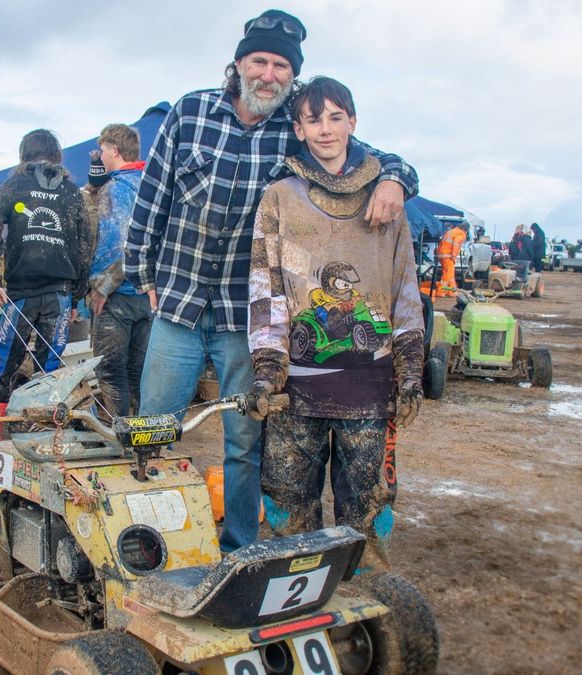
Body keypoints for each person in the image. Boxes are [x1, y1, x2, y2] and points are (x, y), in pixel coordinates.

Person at [124, 9, 419, 552]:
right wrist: (141, 273)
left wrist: (396, 180)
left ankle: (240, 548)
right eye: (258, 61)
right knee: (153, 429)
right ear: (238, 64)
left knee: (245, 442)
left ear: (293, 76)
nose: (268, 74)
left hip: (244, 316)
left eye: (281, 66)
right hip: (178, 304)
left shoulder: (296, 128)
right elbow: (151, 198)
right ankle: (144, 544)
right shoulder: (190, 112)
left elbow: (366, 156)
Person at [247, 76, 423, 574]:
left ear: (353, 123)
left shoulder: (388, 200)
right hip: (296, 392)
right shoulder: (279, 198)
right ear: (298, 129)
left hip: (370, 391)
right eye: (313, 119)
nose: (325, 129)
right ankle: (298, 601)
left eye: (335, 117)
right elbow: (266, 289)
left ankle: (365, 594)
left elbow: (404, 291)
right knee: (288, 507)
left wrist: (410, 370)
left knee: (368, 509)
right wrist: (268, 368)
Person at [0, 129, 91, 465]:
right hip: (59, 294)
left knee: (5, 364)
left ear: (24, 154)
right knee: (51, 368)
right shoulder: (71, 192)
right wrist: (77, 296)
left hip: (21, 293)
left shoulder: (13, 185)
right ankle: (46, 442)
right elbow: (84, 246)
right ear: (57, 157)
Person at [87, 124, 150, 417]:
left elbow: (118, 244)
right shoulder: (150, 185)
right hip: (147, 295)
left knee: (111, 372)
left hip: (118, 296)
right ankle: (141, 436)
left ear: (114, 150)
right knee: (139, 373)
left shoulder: (117, 188)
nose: (100, 156)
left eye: (102, 150)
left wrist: (102, 286)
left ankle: (117, 435)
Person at [436, 221, 467, 296]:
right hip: (448, 255)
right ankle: (441, 291)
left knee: (450, 274)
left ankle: (451, 291)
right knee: (447, 274)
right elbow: (456, 244)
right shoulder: (461, 233)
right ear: (465, 229)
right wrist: (453, 256)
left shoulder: (451, 231)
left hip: (442, 254)